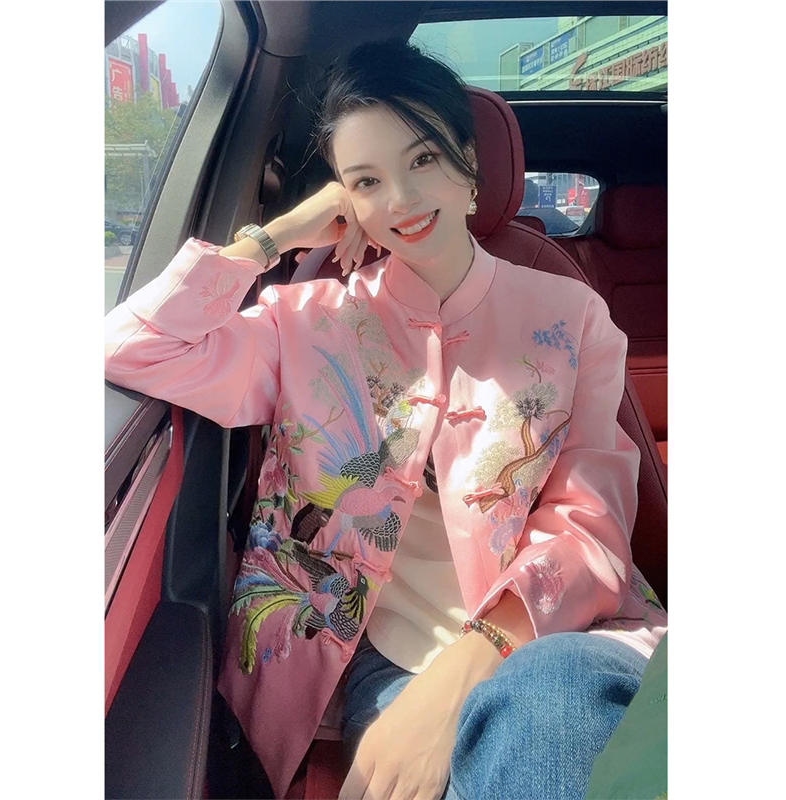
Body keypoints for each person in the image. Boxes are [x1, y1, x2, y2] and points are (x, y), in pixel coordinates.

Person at [105, 38, 667, 800]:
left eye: (423, 159)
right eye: (367, 180)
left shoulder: (572, 317)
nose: (400, 199)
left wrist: (471, 662)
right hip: (387, 662)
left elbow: (589, 524)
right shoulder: (306, 321)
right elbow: (131, 347)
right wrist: (273, 237)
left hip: (560, 638)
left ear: (470, 165)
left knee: (548, 713)